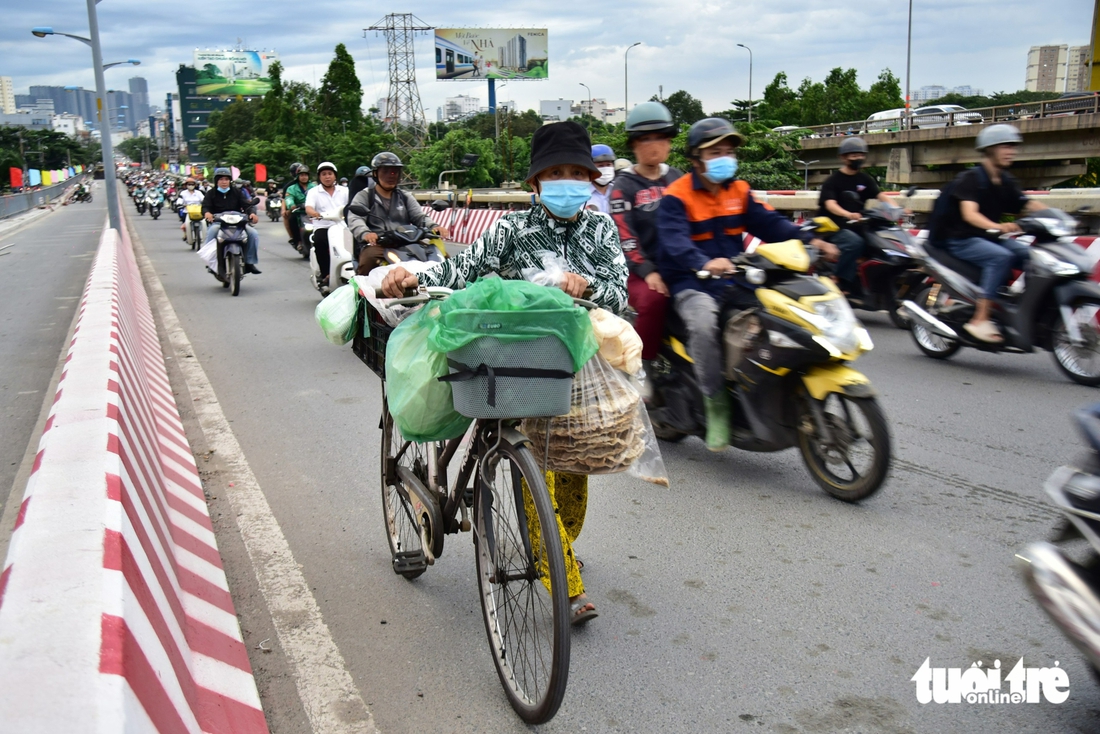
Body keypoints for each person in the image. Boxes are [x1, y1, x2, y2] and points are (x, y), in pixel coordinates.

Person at [382, 121, 630, 625]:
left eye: (575, 173)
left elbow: (621, 294)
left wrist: (588, 288)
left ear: (590, 180)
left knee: (575, 476)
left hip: (574, 367)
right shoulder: (513, 231)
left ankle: (558, 555)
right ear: (536, 184)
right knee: (541, 467)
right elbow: (460, 270)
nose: (566, 183)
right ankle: (566, 583)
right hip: (516, 364)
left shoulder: (602, 229)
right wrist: (411, 273)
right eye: (554, 174)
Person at [657, 118, 838, 451]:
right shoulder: (676, 196)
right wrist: (703, 262)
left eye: (729, 151)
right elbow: (675, 242)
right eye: (716, 152)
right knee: (703, 326)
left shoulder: (738, 192)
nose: (725, 157)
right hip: (692, 283)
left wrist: (812, 240)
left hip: (737, 278)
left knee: (777, 317)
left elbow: (772, 224)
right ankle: (716, 407)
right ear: (696, 158)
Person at [940, 124, 1047, 343]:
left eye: (1013, 146)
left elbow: (1025, 204)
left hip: (987, 238)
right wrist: (1000, 227)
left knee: (1032, 256)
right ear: (990, 149)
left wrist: (1056, 216)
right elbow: (970, 214)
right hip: (962, 239)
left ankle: (1019, 308)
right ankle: (980, 318)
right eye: (1005, 146)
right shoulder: (971, 178)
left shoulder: (1005, 181)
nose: (1011, 151)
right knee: (1001, 257)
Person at [609, 101, 682, 385]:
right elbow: (624, 235)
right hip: (637, 270)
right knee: (654, 300)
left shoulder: (677, 178)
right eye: (645, 139)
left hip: (677, 263)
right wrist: (649, 271)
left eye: (660, 137)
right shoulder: (623, 185)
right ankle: (643, 366)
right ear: (634, 145)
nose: (654, 145)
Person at [347, 152, 449, 275]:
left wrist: (433, 226)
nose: (391, 175)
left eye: (395, 172)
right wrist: (366, 233)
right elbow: (355, 218)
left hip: (407, 242)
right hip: (379, 244)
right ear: (375, 173)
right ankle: (362, 292)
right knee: (369, 259)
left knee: (444, 258)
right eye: (385, 171)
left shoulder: (405, 196)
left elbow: (419, 216)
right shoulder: (365, 195)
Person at [817, 137, 896, 293]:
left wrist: (897, 209)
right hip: (834, 226)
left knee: (881, 242)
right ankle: (839, 279)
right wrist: (848, 214)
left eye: (860, 155)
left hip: (857, 224)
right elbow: (830, 204)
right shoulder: (833, 181)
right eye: (853, 155)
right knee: (855, 243)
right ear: (843, 158)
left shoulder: (865, 179)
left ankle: (868, 281)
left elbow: (881, 196)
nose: (858, 158)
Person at [202, 167, 262, 276]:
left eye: (226, 179)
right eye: (221, 179)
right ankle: (211, 261)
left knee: (253, 233)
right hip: (219, 222)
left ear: (230, 180)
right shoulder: (211, 193)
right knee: (212, 231)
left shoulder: (237, 192)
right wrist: (207, 213)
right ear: (216, 181)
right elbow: (205, 207)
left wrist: (252, 213)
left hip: (238, 221)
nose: (224, 182)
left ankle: (249, 262)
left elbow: (247, 205)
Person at [304, 161, 349, 287]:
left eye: (330, 173)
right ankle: (326, 274)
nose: (327, 176)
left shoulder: (345, 191)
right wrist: (315, 214)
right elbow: (308, 208)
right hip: (322, 225)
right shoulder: (313, 192)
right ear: (319, 177)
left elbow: (353, 205)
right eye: (324, 174)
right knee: (319, 241)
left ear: (335, 176)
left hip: (342, 226)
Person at [284, 164, 316, 248]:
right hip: (299, 211)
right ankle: (298, 241)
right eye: (302, 175)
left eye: (306, 175)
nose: (304, 177)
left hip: (313, 212)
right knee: (292, 219)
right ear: (298, 176)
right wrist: (292, 205)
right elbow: (288, 198)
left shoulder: (315, 187)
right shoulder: (291, 188)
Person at [587, 144, 616, 214]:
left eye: (608, 165)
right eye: (600, 165)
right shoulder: (582, 194)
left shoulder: (619, 190)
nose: (605, 169)